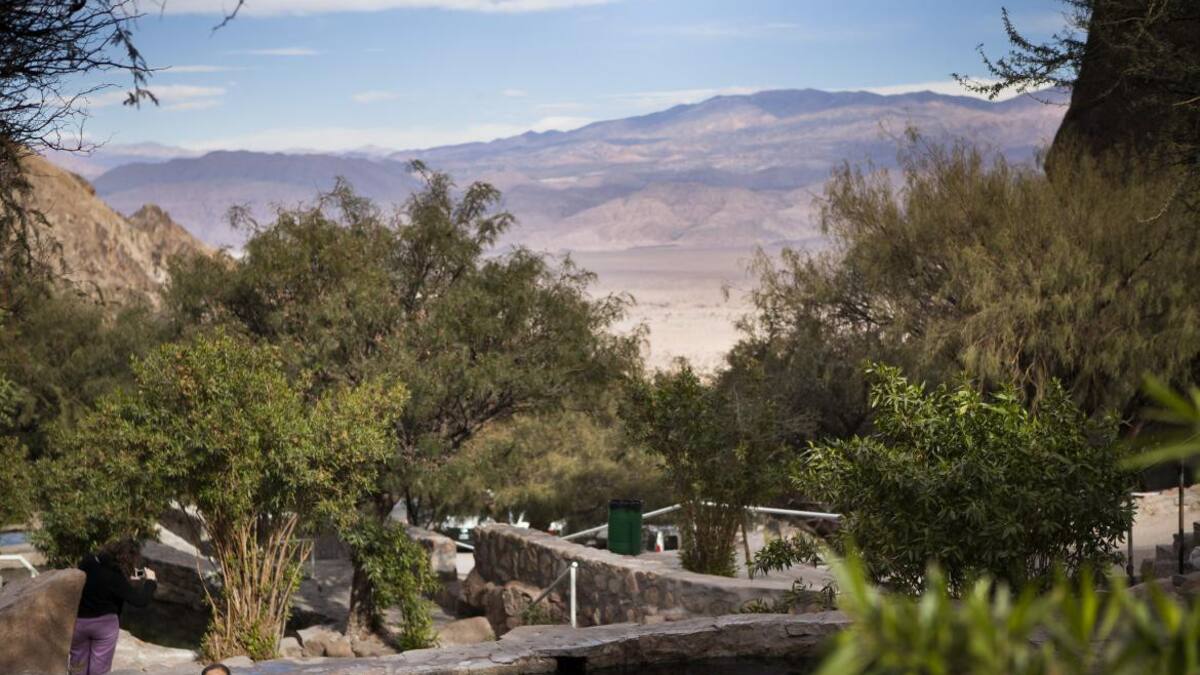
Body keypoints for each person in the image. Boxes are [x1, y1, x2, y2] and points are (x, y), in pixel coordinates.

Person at [70, 539, 157, 675]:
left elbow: (99, 577)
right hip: (104, 627)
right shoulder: (116, 578)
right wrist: (151, 581)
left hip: (79, 623)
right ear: (128, 559)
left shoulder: (88, 561)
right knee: (99, 671)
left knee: (77, 667)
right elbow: (140, 601)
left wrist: (134, 575)